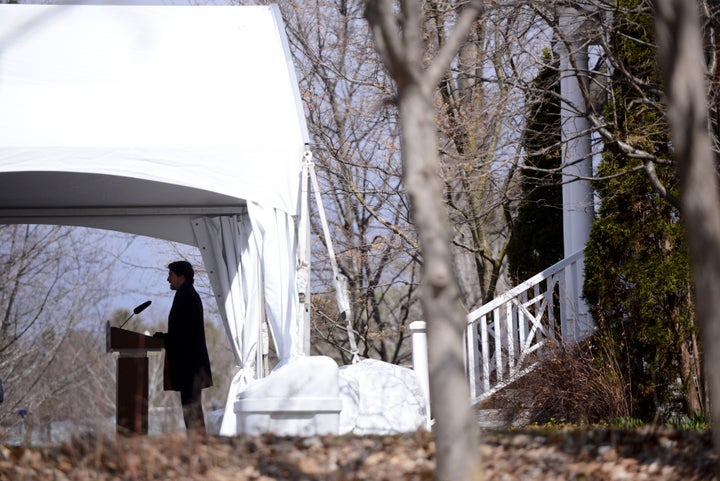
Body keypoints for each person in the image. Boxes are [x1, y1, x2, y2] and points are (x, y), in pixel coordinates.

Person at [154, 260, 212, 434]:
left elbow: (183, 332)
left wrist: (163, 338)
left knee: (191, 410)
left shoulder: (185, 295)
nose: (168, 279)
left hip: (190, 366)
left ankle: (198, 447)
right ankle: (198, 446)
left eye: (171, 275)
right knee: (191, 409)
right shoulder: (187, 294)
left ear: (181, 276)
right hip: (191, 366)